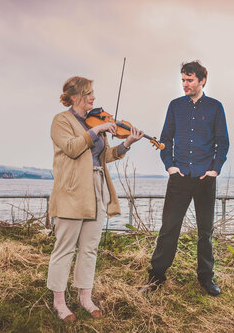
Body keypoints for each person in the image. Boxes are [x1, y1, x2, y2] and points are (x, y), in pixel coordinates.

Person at [47, 76, 143, 322]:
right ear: (77, 96)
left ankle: (84, 298)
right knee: (65, 248)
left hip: (97, 188)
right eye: (89, 93)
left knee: (89, 248)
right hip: (71, 191)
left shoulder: (96, 121)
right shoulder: (62, 120)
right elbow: (71, 147)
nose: (93, 98)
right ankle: (59, 302)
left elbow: (104, 156)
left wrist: (127, 144)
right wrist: (96, 130)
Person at [147, 61, 229, 296]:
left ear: (202, 80)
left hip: (205, 177)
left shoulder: (215, 107)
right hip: (180, 176)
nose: (185, 84)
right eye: (183, 79)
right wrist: (170, 166)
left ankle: (206, 278)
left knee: (205, 231)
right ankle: (157, 276)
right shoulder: (175, 106)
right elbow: (165, 140)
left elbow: (222, 142)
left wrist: (215, 169)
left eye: (190, 80)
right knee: (169, 228)